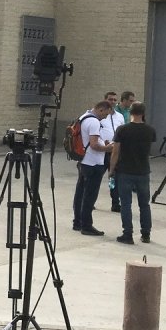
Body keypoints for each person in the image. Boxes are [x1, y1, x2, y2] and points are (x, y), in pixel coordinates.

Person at [110, 102, 156, 244]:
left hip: (125, 171)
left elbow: (115, 152)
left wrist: (111, 169)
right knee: (144, 204)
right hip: (143, 171)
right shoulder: (150, 130)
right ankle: (146, 234)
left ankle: (128, 234)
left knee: (126, 204)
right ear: (143, 113)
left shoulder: (122, 129)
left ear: (130, 112)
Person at [72, 100, 114, 236]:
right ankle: (87, 225)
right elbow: (94, 144)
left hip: (83, 161)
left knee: (80, 192)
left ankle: (77, 222)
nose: (105, 117)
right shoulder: (94, 122)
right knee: (90, 196)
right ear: (101, 109)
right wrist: (107, 148)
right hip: (93, 163)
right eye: (105, 114)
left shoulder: (83, 117)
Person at [103, 91, 125, 212]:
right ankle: (90, 202)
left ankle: (115, 203)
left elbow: (123, 133)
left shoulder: (120, 116)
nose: (112, 102)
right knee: (95, 178)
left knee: (114, 178)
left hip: (115, 152)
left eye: (114, 100)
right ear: (105, 100)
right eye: (110, 99)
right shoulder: (100, 115)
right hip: (101, 151)